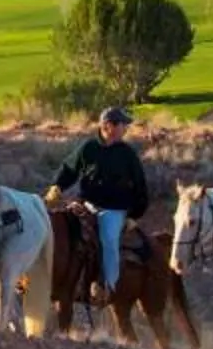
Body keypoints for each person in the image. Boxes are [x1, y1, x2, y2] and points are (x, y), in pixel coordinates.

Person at [49, 107, 152, 300]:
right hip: (85, 205)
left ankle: (108, 287)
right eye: (123, 125)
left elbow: (140, 187)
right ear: (108, 126)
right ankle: (66, 283)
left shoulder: (127, 154)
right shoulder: (88, 147)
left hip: (114, 210)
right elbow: (70, 169)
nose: (126, 129)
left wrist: (134, 215)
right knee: (61, 231)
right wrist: (57, 186)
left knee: (109, 240)